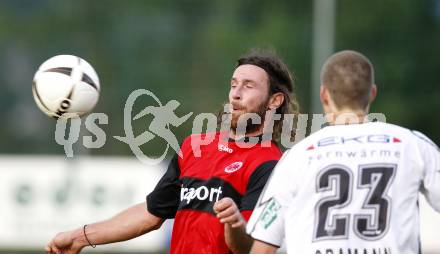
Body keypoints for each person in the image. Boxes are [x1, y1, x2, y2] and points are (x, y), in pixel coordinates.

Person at [45, 50, 298, 254]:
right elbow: (151, 214)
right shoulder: (194, 146)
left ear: (274, 100)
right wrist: (79, 237)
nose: (236, 94)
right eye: (234, 84)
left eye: (249, 86)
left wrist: (234, 224)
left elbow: (252, 249)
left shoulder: (269, 164)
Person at [247, 50, 440, 254]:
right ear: (372, 92)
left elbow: (263, 246)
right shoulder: (412, 145)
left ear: (324, 94)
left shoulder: (298, 156)